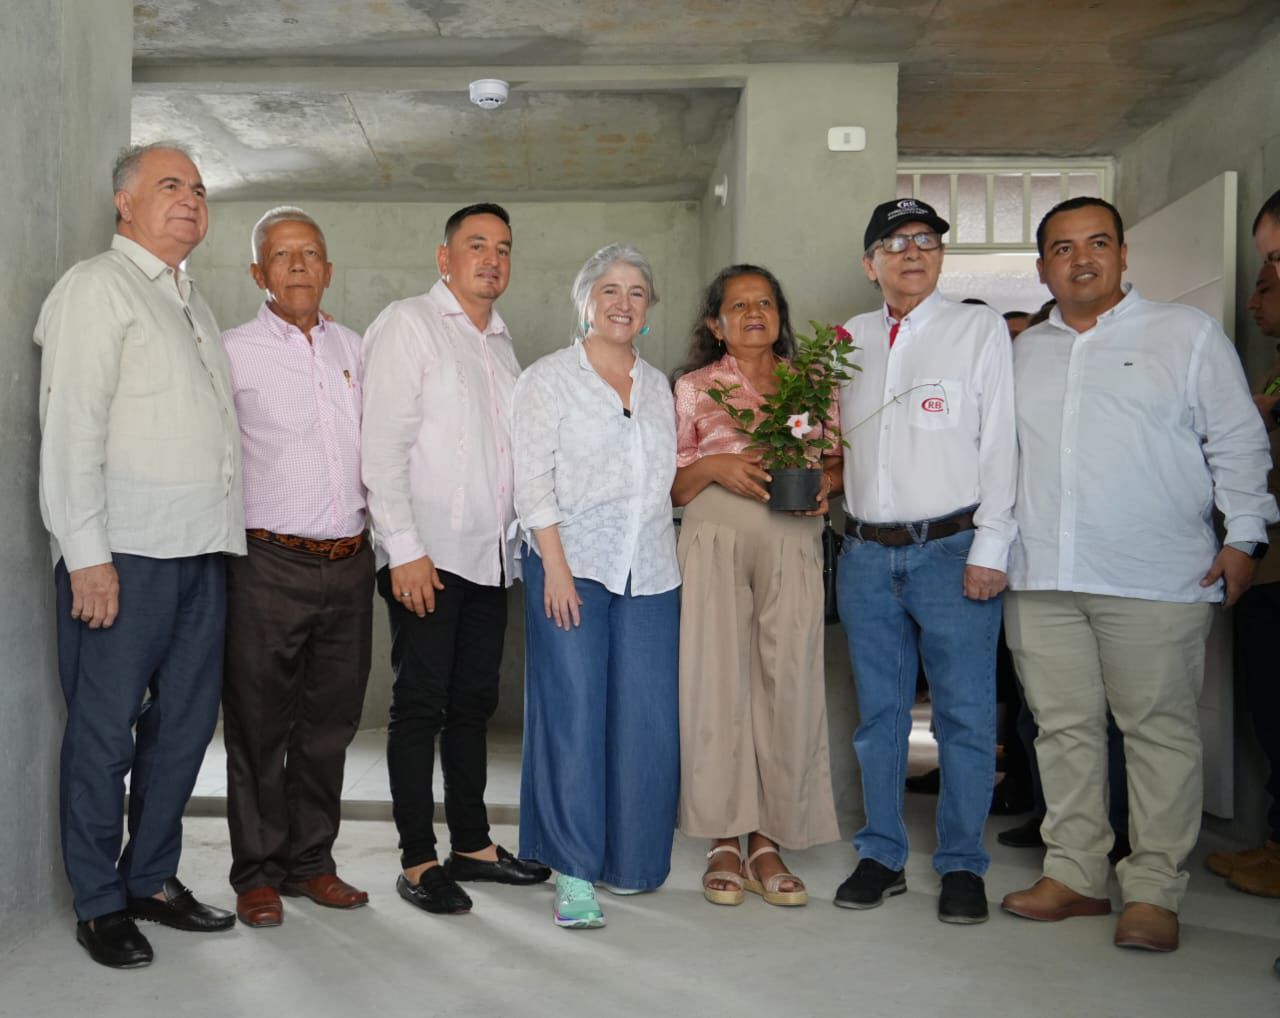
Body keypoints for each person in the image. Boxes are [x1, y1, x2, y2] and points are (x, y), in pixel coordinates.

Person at [1000, 197, 1277, 953]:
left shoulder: (1184, 335)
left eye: (1096, 243)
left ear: (1124, 255)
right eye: (1062, 247)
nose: (1080, 258)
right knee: (1061, 731)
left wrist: (1245, 537)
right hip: (1044, 574)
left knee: (1157, 732)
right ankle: (1077, 873)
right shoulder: (1022, 353)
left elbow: (1238, 442)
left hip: (1156, 576)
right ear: (1042, 267)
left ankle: (1154, 889)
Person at [35, 143, 244, 969]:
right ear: (125, 203)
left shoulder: (193, 302)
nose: (190, 199)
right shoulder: (99, 287)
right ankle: (97, 901)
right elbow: (71, 427)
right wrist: (85, 554)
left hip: (202, 552)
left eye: (198, 189)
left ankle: (150, 878)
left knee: (186, 730)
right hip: (124, 552)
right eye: (169, 185)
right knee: (104, 734)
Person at [361, 202, 550, 917]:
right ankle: (417, 859)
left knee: (473, 704)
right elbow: (380, 445)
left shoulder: (501, 346)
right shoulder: (408, 324)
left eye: (503, 247)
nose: (491, 259)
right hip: (427, 558)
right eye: (476, 245)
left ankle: (472, 844)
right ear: (445, 258)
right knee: (419, 707)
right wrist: (403, 550)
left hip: (489, 559)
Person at [834, 197, 1017, 925]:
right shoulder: (848, 337)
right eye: (895, 241)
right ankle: (881, 854)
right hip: (864, 554)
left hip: (953, 550)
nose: (913, 252)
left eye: (927, 241)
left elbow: (1000, 439)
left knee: (966, 717)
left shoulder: (976, 329)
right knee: (879, 717)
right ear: (869, 262)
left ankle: (963, 865)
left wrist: (994, 543)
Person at [512, 243, 680, 929]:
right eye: (609, 289)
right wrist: (553, 566)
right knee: (573, 714)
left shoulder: (661, 385)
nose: (622, 302)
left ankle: (634, 860)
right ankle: (573, 869)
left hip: (652, 569)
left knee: (646, 718)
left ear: (647, 309)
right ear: (586, 300)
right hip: (570, 564)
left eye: (636, 292)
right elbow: (531, 478)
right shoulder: (547, 379)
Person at [220, 206, 373, 928]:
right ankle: (256, 872)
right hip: (267, 565)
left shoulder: (357, 349)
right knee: (258, 728)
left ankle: (312, 863)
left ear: (329, 269)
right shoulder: (232, 352)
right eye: (284, 256)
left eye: (312, 253)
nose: (301, 266)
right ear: (259, 273)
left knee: (328, 728)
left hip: (349, 563)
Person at [672, 264, 841, 910]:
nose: (752, 313)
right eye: (737, 305)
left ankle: (769, 839)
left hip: (791, 538)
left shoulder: (812, 382)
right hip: (713, 540)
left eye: (764, 303)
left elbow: (832, 464)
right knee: (716, 683)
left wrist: (827, 483)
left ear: (779, 317)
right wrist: (715, 464)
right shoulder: (692, 388)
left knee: (787, 681)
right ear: (715, 324)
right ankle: (722, 838)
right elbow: (673, 487)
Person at [1208, 256, 1280, 898]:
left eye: (1268, 281)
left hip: (1268, 559)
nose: (1255, 303)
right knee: (1269, 709)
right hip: (1267, 569)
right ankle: (1276, 846)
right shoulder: (1272, 367)